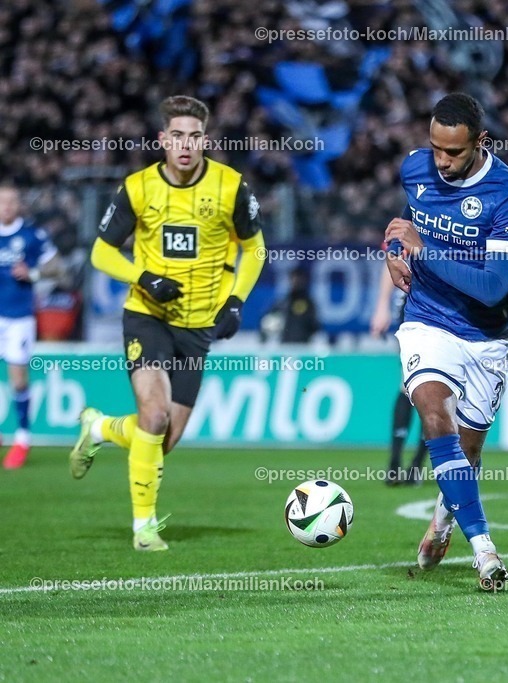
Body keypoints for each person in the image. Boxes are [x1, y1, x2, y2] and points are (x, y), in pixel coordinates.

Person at [68, 95, 266, 551]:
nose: (185, 144)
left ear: (204, 141)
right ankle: (144, 528)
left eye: (194, 136)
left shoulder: (230, 187)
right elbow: (100, 251)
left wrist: (235, 302)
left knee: (163, 440)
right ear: (163, 140)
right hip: (148, 316)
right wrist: (144, 277)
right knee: (153, 417)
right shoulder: (138, 188)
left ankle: (98, 428)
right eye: (177, 135)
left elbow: (254, 248)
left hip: (197, 328)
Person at [383, 92, 508, 590]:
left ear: (480, 143)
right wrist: (391, 252)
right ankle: (485, 553)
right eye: (435, 149)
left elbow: (492, 288)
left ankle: (444, 518)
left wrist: (422, 251)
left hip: (485, 336)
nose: (441, 162)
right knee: (433, 415)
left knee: (466, 453)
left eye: (453, 152)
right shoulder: (416, 168)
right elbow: (400, 226)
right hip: (427, 320)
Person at [0, 186, 64, 469]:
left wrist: (33, 273)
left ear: (19, 204)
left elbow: (58, 268)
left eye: (12, 200)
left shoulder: (31, 236)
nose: (7, 206)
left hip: (18, 317)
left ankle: (23, 438)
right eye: (2, 201)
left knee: (18, 378)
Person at [369, 262, 428, 486]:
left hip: (448, 303)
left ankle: (415, 466)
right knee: (410, 383)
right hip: (414, 302)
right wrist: (382, 306)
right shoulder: (410, 226)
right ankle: (396, 463)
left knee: (435, 388)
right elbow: (391, 258)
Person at [262, 266, 320, 344]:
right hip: (284, 344)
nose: (295, 281)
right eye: (293, 278)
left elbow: (315, 325)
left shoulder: (309, 303)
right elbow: (269, 319)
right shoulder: (284, 301)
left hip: (303, 345)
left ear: (304, 281)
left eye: (298, 279)